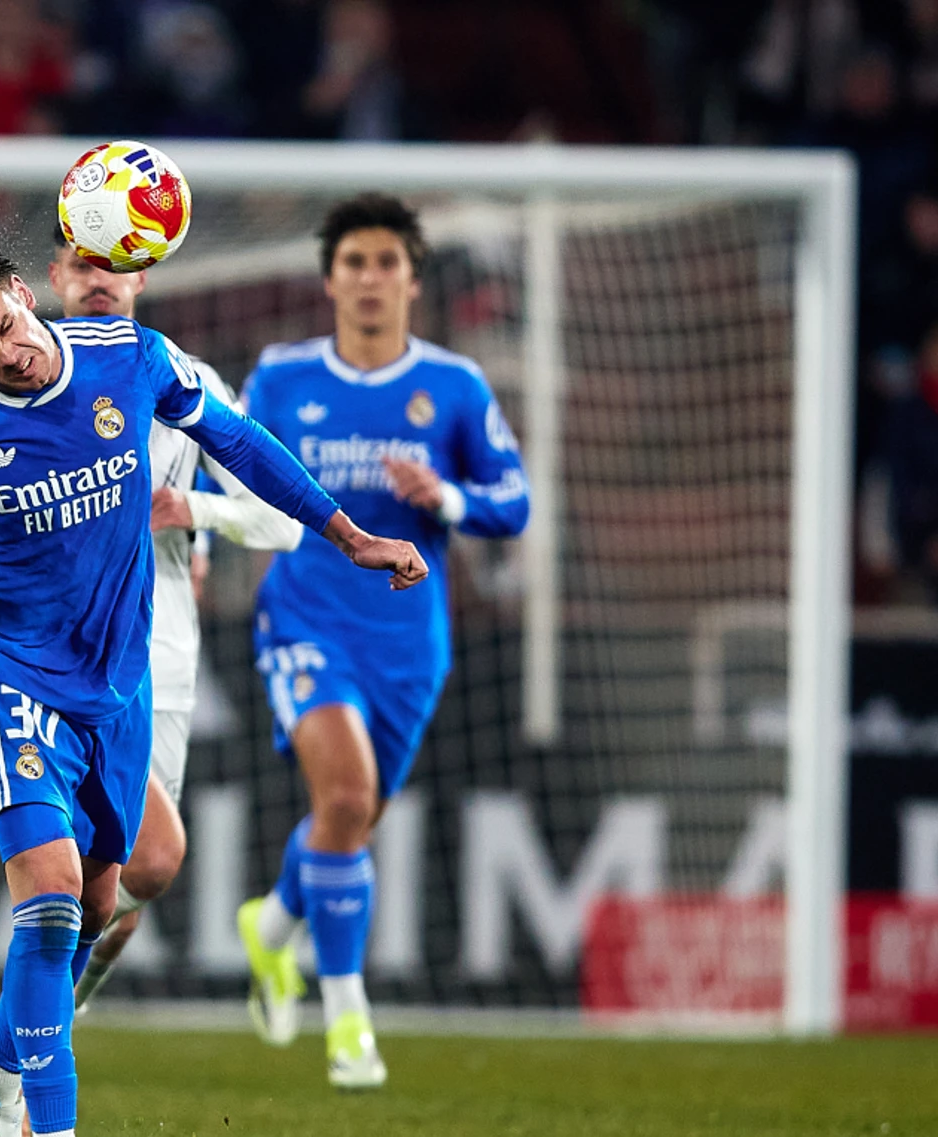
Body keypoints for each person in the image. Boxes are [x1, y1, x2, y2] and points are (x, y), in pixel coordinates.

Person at [0, 239, 425, 1137]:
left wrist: (351, 535)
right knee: (56, 895)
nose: (8, 359)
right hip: (10, 677)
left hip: (118, 684)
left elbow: (240, 441)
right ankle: (40, 1124)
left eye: (7, 331)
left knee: (104, 902)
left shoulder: (130, 356)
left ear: (21, 294)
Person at [0, 240, 305, 1021]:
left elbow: (281, 518)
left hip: (154, 656)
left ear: (142, 275)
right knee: (104, 870)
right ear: (47, 283)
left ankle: (37, 1031)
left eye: (115, 265)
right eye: (81, 265)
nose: (98, 280)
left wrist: (195, 511)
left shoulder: (166, 371)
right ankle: (29, 1052)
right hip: (37, 665)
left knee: (126, 892)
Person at [236, 193, 529, 1090]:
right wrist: (200, 536)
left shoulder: (455, 387)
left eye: (386, 262)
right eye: (353, 262)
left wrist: (443, 497)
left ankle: (273, 924)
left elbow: (513, 504)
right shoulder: (281, 378)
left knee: (348, 817)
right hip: (304, 619)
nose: (369, 278)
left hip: (410, 641)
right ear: (329, 280)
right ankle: (350, 1021)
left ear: (411, 278)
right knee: (350, 791)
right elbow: (236, 473)